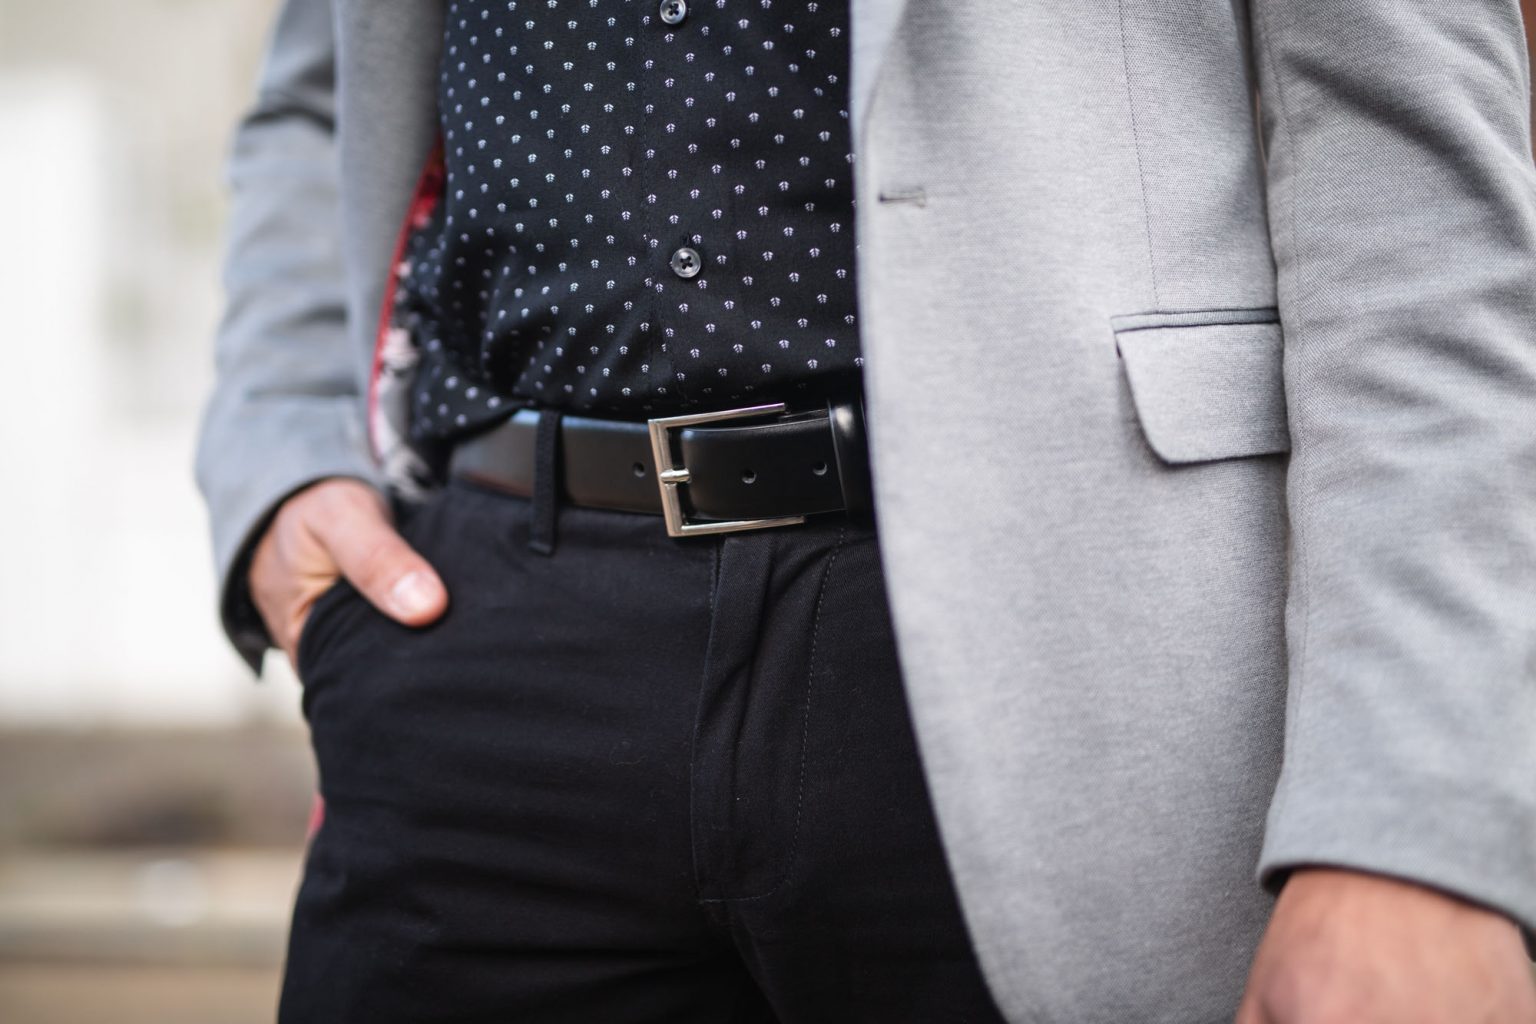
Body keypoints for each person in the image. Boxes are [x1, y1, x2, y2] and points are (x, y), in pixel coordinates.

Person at [193, 0, 1536, 1020]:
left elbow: (1410, 178)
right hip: (482, 639)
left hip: (1066, 642)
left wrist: (1406, 823)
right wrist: (279, 453)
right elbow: (323, 94)